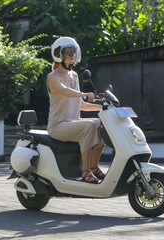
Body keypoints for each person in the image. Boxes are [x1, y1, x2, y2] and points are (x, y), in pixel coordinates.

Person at [47, 37, 105, 183]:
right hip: (57, 126)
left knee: (102, 123)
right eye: (68, 53)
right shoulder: (52, 77)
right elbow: (65, 91)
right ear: (58, 54)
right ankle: (85, 172)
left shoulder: (74, 75)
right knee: (90, 125)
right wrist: (84, 94)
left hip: (73, 123)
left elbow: (81, 105)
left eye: (74, 52)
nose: (72, 56)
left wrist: (103, 107)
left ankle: (94, 167)